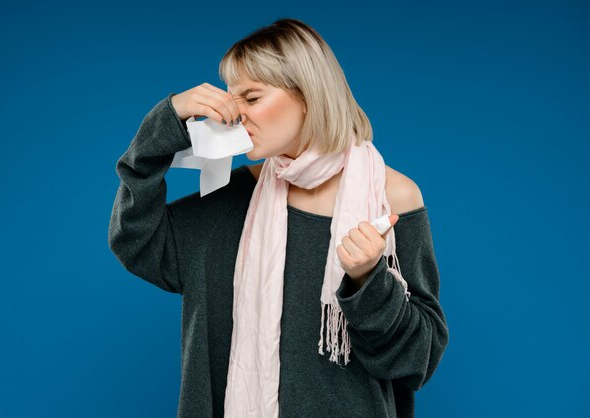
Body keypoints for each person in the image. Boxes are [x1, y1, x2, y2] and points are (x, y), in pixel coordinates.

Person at [108, 18, 449, 418]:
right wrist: (165, 124)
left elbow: (418, 360)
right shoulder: (238, 196)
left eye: (251, 99)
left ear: (308, 96)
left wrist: (369, 281)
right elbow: (136, 240)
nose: (236, 116)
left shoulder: (391, 198)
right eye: (233, 101)